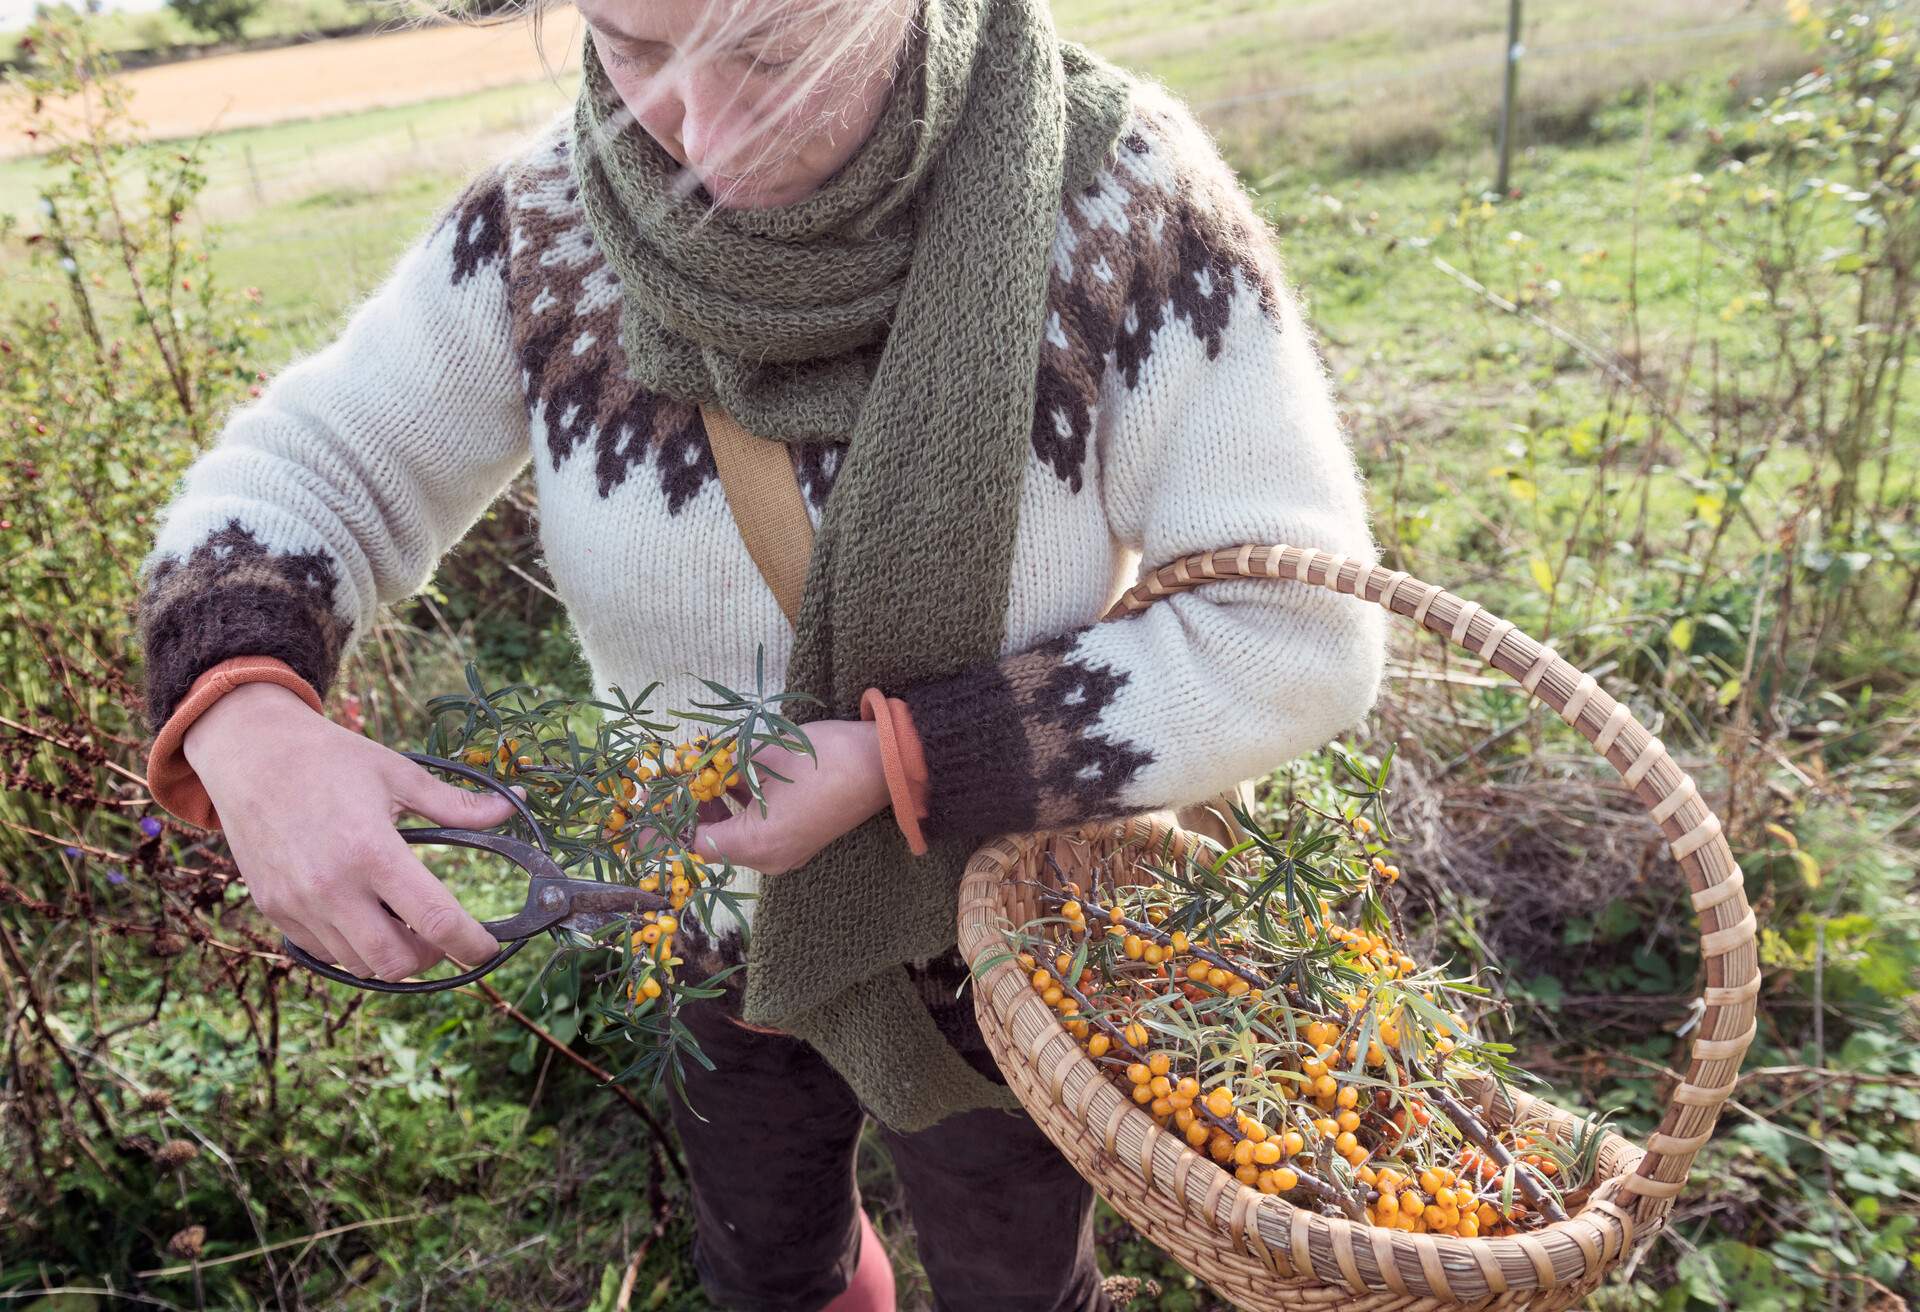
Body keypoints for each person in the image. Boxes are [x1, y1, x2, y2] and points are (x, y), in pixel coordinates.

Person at [134, 0, 1387, 1306]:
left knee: (1016, 1275)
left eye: (774, 60)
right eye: (633, 48)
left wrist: (914, 759)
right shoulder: (547, 231)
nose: (703, 145)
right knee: (767, 1264)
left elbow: (1294, 632)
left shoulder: (1123, 210)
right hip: (697, 919)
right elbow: (309, 474)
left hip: (1009, 930)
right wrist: (248, 714)